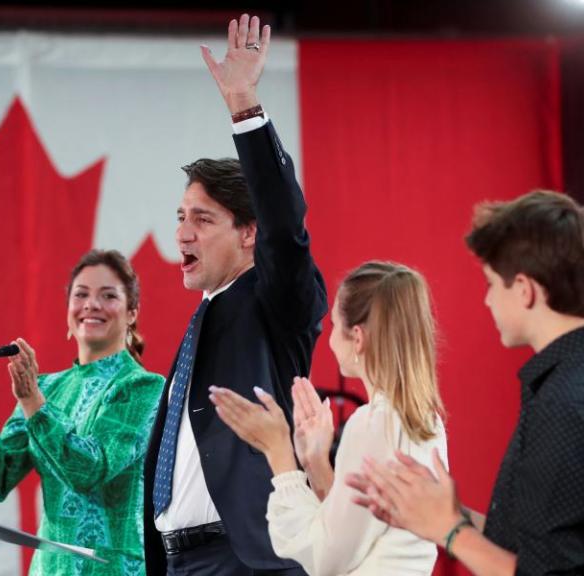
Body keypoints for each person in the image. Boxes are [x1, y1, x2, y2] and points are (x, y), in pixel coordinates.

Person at [347, 191, 584, 575]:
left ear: (525, 290)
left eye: (492, 283)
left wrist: (450, 529)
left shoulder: (572, 404)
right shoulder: (578, 379)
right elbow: (539, 546)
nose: (487, 300)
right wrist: (443, 514)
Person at [142, 13, 329, 576]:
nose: (182, 233)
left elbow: (284, 225)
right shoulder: (204, 318)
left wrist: (244, 106)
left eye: (202, 218)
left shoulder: (276, 300)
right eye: (180, 217)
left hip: (246, 559)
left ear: (248, 233)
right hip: (180, 562)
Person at [0, 249, 165, 576]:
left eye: (108, 296)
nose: (91, 304)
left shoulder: (143, 387)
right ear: (68, 311)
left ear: (132, 312)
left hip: (115, 569)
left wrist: (34, 404)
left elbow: (91, 469)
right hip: (51, 567)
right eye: (81, 295)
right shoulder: (46, 387)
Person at [210, 261, 448, 575]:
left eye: (335, 325)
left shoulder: (373, 422)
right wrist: (315, 462)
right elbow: (355, 530)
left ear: (358, 338)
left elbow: (327, 558)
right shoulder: (425, 420)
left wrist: (280, 454)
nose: (331, 340)